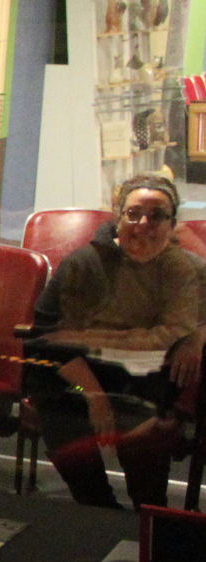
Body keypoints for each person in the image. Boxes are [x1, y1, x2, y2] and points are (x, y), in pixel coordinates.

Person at [25, 174, 199, 509]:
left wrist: (197, 338)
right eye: (133, 214)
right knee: (53, 392)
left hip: (145, 377)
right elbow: (45, 337)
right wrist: (95, 396)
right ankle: (96, 506)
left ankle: (149, 512)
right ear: (118, 218)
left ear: (172, 224)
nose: (144, 224)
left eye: (157, 215)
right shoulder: (83, 264)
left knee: (148, 411)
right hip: (80, 375)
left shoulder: (188, 268)